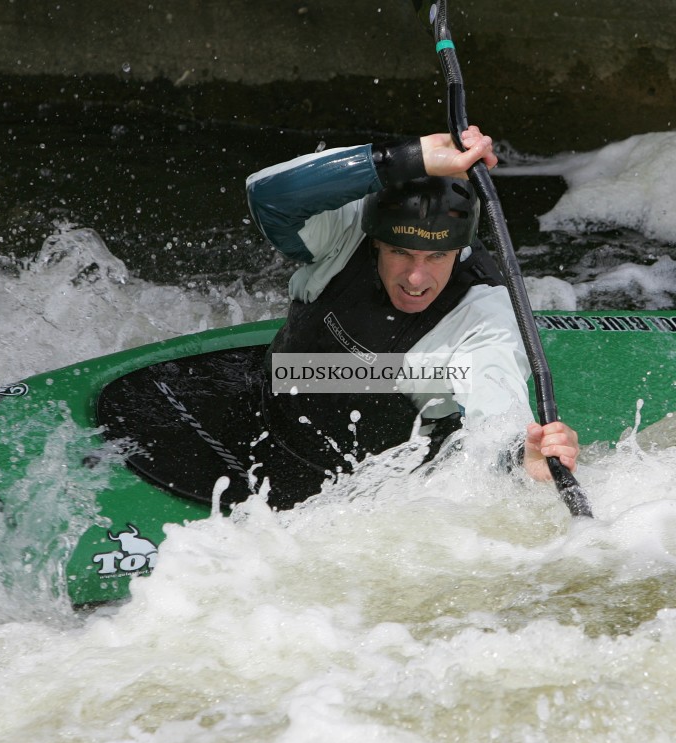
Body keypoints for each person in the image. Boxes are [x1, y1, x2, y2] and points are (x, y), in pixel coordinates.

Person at [245, 126, 578, 484]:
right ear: (376, 241)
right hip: (266, 412)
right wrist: (406, 157)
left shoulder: (485, 317)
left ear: (459, 250)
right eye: (400, 252)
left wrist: (520, 455)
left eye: (436, 256)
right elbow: (266, 195)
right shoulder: (350, 229)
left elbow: (496, 412)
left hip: (372, 487)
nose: (416, 279)